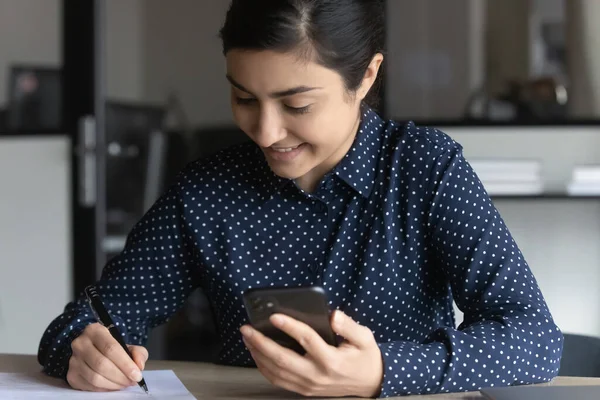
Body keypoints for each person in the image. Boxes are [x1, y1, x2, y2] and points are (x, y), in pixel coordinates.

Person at [38, 0, 563, 397]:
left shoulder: (424, 170)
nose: (265, 132)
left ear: (366, 76)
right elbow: (81, 325)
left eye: (297, 105)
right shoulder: (207, 190)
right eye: (244, 98)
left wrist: (380, 370)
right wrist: (82, 350)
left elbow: (534, 339)